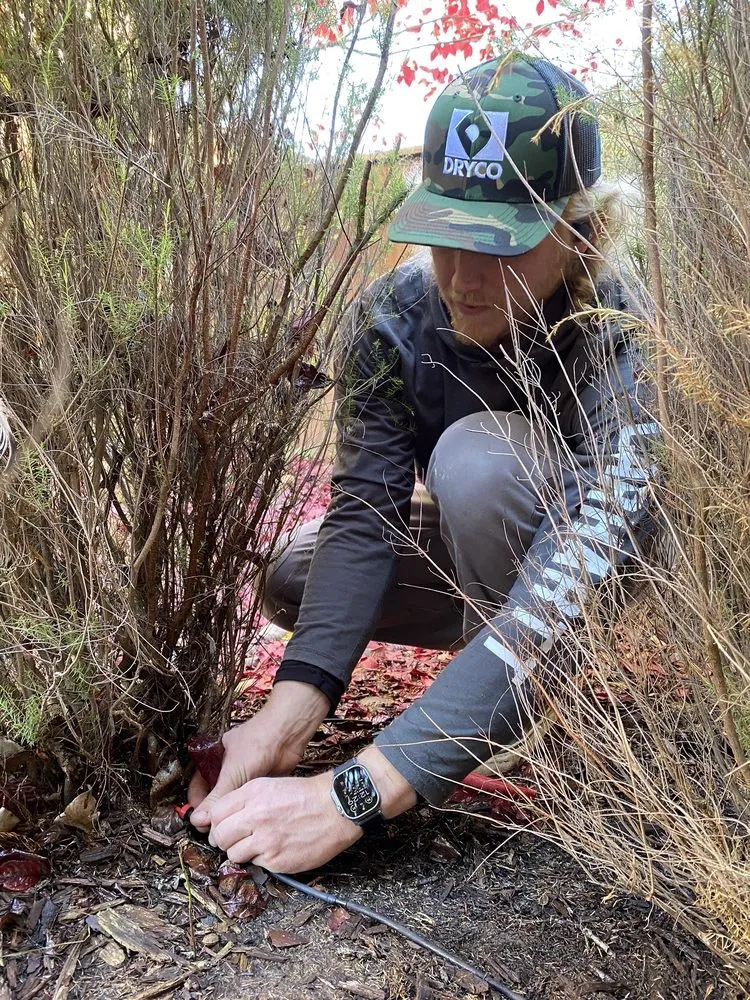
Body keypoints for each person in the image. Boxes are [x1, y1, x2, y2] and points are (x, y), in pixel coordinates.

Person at [188, 52, 660, 873]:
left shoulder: (623, 331)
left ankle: (514, 704)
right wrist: (284, 722)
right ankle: (482, 694)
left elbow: (588, 560)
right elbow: (364, 515)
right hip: (478, 559)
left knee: (477, 463)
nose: (462, 278)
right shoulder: (393, 322)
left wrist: (357, 791)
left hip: (591, 563)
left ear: (582, 232)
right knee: (295, 576)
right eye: (445, 235)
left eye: (500, 247)